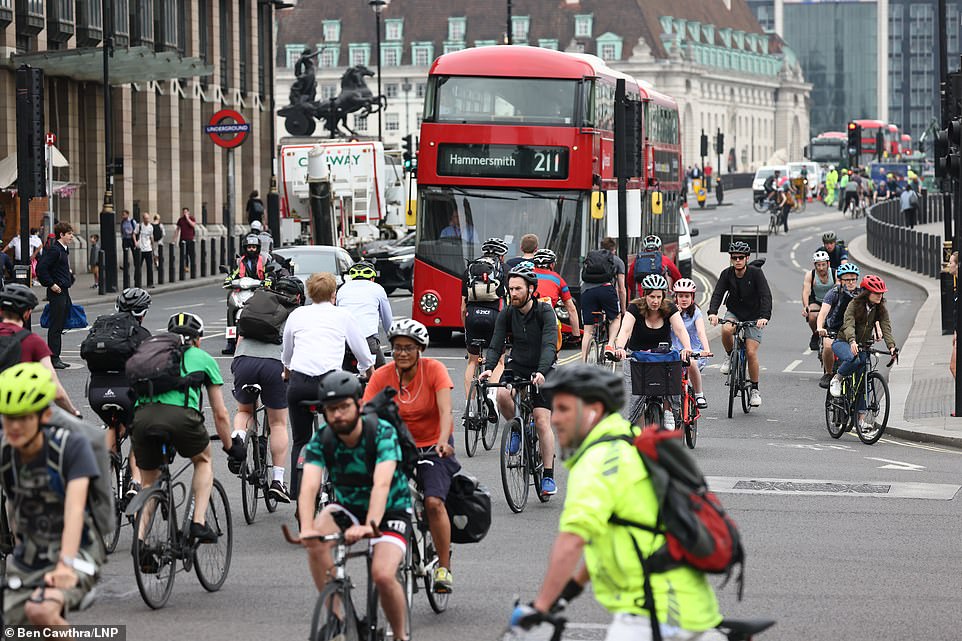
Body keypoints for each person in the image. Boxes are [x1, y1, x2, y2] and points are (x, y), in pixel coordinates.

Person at [510, 364, 724, 641]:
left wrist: (539, 609)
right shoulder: (627, 440)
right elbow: (620, 532)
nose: (556, 419)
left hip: (654, 613)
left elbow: (572, 540)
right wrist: (569, 592)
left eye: (564, 409)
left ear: (593, 411)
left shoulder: (596, 463)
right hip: (681, 606)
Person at [298, 372, 412, 641]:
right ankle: (338, 616)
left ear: (358, 405)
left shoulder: (382, 433)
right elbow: (309, 487)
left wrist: (369, 526)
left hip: (390, 509)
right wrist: (305, 528)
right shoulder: (322, 439)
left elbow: (382, 484)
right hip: (349, 507)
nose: (337, 415)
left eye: (343, 407)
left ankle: (400, 635)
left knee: (383, 576)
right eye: (330, 409)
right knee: (315, 540)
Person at [0, 363, 105, 627]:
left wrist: (64, 566)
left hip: (78, 551)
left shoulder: (71, 449)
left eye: (24, 418)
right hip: (32, 551)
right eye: (8, 417)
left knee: (41, 612)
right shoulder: (7, 453)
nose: (14, 427)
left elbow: (74, 513)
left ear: (45, 416)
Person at [363, 319, 459, 594]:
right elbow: (365, 413)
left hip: (432, 445)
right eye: (396, 348)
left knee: (432, 503)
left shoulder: (434, 370)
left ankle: (443, 565)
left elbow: (445, 411)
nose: (402, 353)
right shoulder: (382, 375)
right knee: (383, 498)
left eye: (408, 348)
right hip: (396, 447)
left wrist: (443, 440)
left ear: (420, 350)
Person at [131, 312, 241, 548]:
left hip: (142, 418)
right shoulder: (202, 358)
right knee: (203, 461)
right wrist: (230, 447)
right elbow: (220, 413)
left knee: (149, 482)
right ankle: (198, 522)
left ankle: (139, 541)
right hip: (181, 418)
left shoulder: (152, 355)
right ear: (198, 339)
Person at [282, 272, 374, 499]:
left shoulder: (297, 314)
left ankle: (297, 491)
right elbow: (361, 351)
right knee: (341, 434)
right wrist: (368, 371)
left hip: (300, 384)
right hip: (330, 384)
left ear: (309, 293)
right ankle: (336, 485)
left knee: (301, 440)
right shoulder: (343, 315)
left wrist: (287, 371)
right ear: (334, 294)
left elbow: (287, 351)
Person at [480, 263, 559, 498]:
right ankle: (516, 427)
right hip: (518, 365)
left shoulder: (545, 312)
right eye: (510, 288)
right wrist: (489, 368)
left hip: (543, 368)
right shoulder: (507, 313)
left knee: (542, 419)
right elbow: (496, 344)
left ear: (531, 289)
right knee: (502, 394)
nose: (513, 293)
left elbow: (548, 345)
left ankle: (547, 476)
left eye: (518, 289)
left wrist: (542, 371)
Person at [231, 276, 305, 504]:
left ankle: (239, 437)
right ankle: (278, 481)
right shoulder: (296, 313)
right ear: (299, 297)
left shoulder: (257, 303)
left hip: (243, 360)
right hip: (274, 364)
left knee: (244, 411)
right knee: (278, 423)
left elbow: (239, 336)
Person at [86, 288, 152, 497]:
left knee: (114, 425)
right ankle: (135, 482)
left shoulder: (101, 327)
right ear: (142, 313)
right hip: (127, 392)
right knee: (138, 431)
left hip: (97, 392)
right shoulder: (141, 334)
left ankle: (103, 474)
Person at [611, 274, 692, 428]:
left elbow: (680, 330)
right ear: (644, 295)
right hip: (638, 358)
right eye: (652, 296)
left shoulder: (669, 308)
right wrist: (620, 348)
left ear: (663, 296)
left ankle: (669, 411)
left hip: (662, 357)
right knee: (634, 398)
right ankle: (635, 431)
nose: (655, 301)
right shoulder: (634, 308)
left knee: (670, 384)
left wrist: (687, 347)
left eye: (659, 297)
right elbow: (625, 330)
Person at [707, 241, 772, 408]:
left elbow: (766, 296)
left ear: (747, 258)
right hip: (735, 312)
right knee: (726, 329)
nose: (737, 260)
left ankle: (755, 389)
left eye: (741, 257)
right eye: (734, 257)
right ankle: (730, 356)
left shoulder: (756, 274)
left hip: (754, 315)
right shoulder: (726, 274)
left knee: (751, 352)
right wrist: (712, 313)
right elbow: (718, 294)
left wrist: (764, 316)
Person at [830, 276, 898, 434]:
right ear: (867, 292)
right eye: (876, 293)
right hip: (843, 342)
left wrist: (892, 346)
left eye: (881, 293)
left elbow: (886, 326)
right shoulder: (854, 304)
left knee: (864, 383)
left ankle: (859, 422)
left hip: (863, 346)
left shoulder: (880, 308)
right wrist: (852, 341)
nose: (880, 296)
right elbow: (848, 323)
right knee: (853, 359)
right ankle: (837, 378)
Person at [0, 284, 80, 415]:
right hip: (18, 415)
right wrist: (73, 412)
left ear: (1, 311)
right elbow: (55, 390)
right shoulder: (33, 341)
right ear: (27, 313)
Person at [461, 238, 507, 400]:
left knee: (472, 362)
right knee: (500, 361)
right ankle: (493, 397)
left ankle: (470, 406)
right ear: (501, 256)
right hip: (495, 316)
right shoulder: (503, 269)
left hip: (472, 316)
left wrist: (465, 326)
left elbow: (462, 306)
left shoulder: (470, 270)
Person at [337, 260, 393, 368]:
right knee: (381, 375)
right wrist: (394, 342)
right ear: (372, 278)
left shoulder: (342, 290)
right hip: (368, 341)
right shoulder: (378, 289)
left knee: (342, 375)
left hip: (344, 341)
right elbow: (387, 321)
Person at [36, 222, 75, 370]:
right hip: (56, 291)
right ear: (62, 235)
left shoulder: (64, 250)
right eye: (69, 234)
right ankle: (54, 358)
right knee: (56, 326)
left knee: (60, 324)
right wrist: (51, 284)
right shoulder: (55, 250)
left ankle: (56, 356)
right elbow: (41, 268)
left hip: (64, 290)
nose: (71, 236)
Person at [580, 237, 627, 362]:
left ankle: (583, 364)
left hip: (586, 292)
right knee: (616, 318)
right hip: (606, 291)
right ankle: (610, 345)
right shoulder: (617, 260)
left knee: (588, 331)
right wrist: (623, 309)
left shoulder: (591, 259)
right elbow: (621, 288)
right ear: (614, 249)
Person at [816, 263, 861, 388]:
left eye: (853, 279)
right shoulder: (834, 293)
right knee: (828, 345)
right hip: (834, 328)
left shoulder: (862, 293)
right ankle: (829, 373)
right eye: (847, 279)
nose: (851, 282)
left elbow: (873, 312)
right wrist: (820, 327)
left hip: (853, 330)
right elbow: (823, 313)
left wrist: (877, 329)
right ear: (840, 280)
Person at [222, 235, 267, 355]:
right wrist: (228, 279)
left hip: (259, 290)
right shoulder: (240, 261)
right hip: (241, 290)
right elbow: (234, 274)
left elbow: (269, 273)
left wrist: (269, 279)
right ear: (245, 248)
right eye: (249, 247)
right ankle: (230, 342)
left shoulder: (264, 261)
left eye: (253, 247)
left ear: (258, 248)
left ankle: (264, 337)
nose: (251, 249)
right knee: (230, 308)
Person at [671, 278, 710, 409]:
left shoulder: (696, 313)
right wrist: (674, 314)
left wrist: (706, 349)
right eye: (680, 296)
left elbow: (701, 332)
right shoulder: (670, 311)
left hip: (693, 351)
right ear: (675, 297)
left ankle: (699, 394)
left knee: (691, 362)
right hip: (674, 350)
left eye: (687, 296)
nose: (684, 299)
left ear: (692, 297)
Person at [531, 248, 581, 341]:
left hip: (525, 316)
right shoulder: (558, 279)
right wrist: (576, 334)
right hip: (546, 316)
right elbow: (571, 308)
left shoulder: (526, 276)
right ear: (552, 264)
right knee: (553, 348)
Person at [626, 235, 682, 300]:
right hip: (660, 294)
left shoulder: (638, 259)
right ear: (659, 248)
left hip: (643, 293)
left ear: (644, 248)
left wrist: (633, 291)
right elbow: (677, 276)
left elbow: (630, 277)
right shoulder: (663, 259)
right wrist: (675, 291)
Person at [802, 250, 835, 352]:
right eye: (818, 265)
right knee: (812, 317)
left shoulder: (835, 273)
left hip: (831, 302)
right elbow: (806, 291)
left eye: (823, 265)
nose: (821, 268)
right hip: (817, 300)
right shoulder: (810, 275)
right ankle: (816, 334)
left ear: (828, 264)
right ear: (815, 265)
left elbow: (839, 287)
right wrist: (806, 306)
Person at [133, 212, 154, 288]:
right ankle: (137, 282)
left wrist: (152, 246)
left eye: (148, 218)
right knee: (138, 266)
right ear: (143, 219)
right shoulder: (139, 226)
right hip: (140, 249)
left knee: (149, 267)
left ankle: (150, 283)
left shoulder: (151, 227)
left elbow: (151, 237)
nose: (147, 220)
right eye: (145, 218)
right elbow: (134, 234)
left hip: (148, 249)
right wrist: (135, 242)